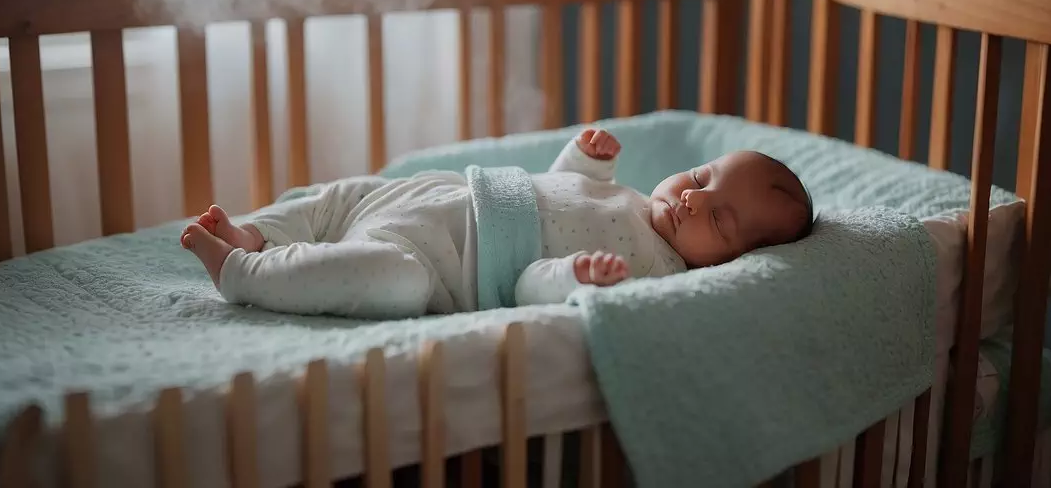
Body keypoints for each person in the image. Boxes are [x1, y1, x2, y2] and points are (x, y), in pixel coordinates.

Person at [181, 128, 814, 318]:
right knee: (342, 198)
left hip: (435, 262)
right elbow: (563, 188)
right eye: (701, 179)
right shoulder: (629, 196)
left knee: (387, 285)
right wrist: (583, 159)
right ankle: (259, 229)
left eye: (720, 219)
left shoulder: (652, 271)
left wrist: (575, 277)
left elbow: (526, 285)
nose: (695, 201)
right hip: (450, 193)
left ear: (727, 262)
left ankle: (245, 270)